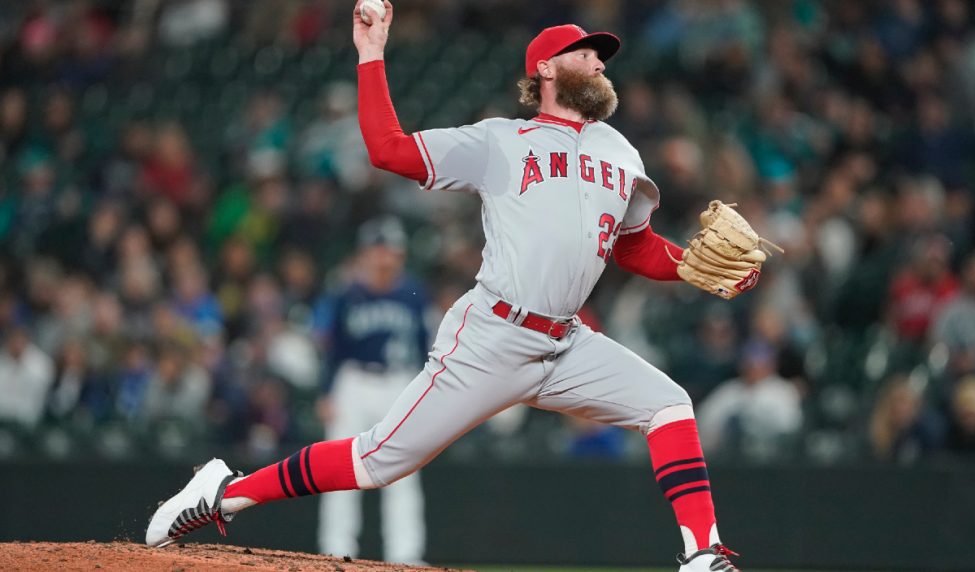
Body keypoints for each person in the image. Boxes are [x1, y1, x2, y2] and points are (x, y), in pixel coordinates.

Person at [146, 3, 745, 570]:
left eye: (601, 55)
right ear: (545, 68)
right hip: (493, 335)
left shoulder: (620, 150)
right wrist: (371, 52)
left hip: (567, 343)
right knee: (376, 460)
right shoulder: (499, 141)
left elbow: (634, 245)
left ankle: (702, 553)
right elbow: (388, 150)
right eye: (585, 53)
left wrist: (693, 263)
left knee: (668, 405)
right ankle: (225, 492)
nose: (598, 62)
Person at [316, 216, 429, 564]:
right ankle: (336, 551)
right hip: (353, 382)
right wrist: (326, 391)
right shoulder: (346, 293)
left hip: (399, 383)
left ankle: (406, 555)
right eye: (377, 250)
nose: (384, 258)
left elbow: (428, 348)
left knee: (404, 473)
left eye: (390, 250)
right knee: (338, 468)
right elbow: (332, 349)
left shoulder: (414, 294)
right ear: (365, 254)